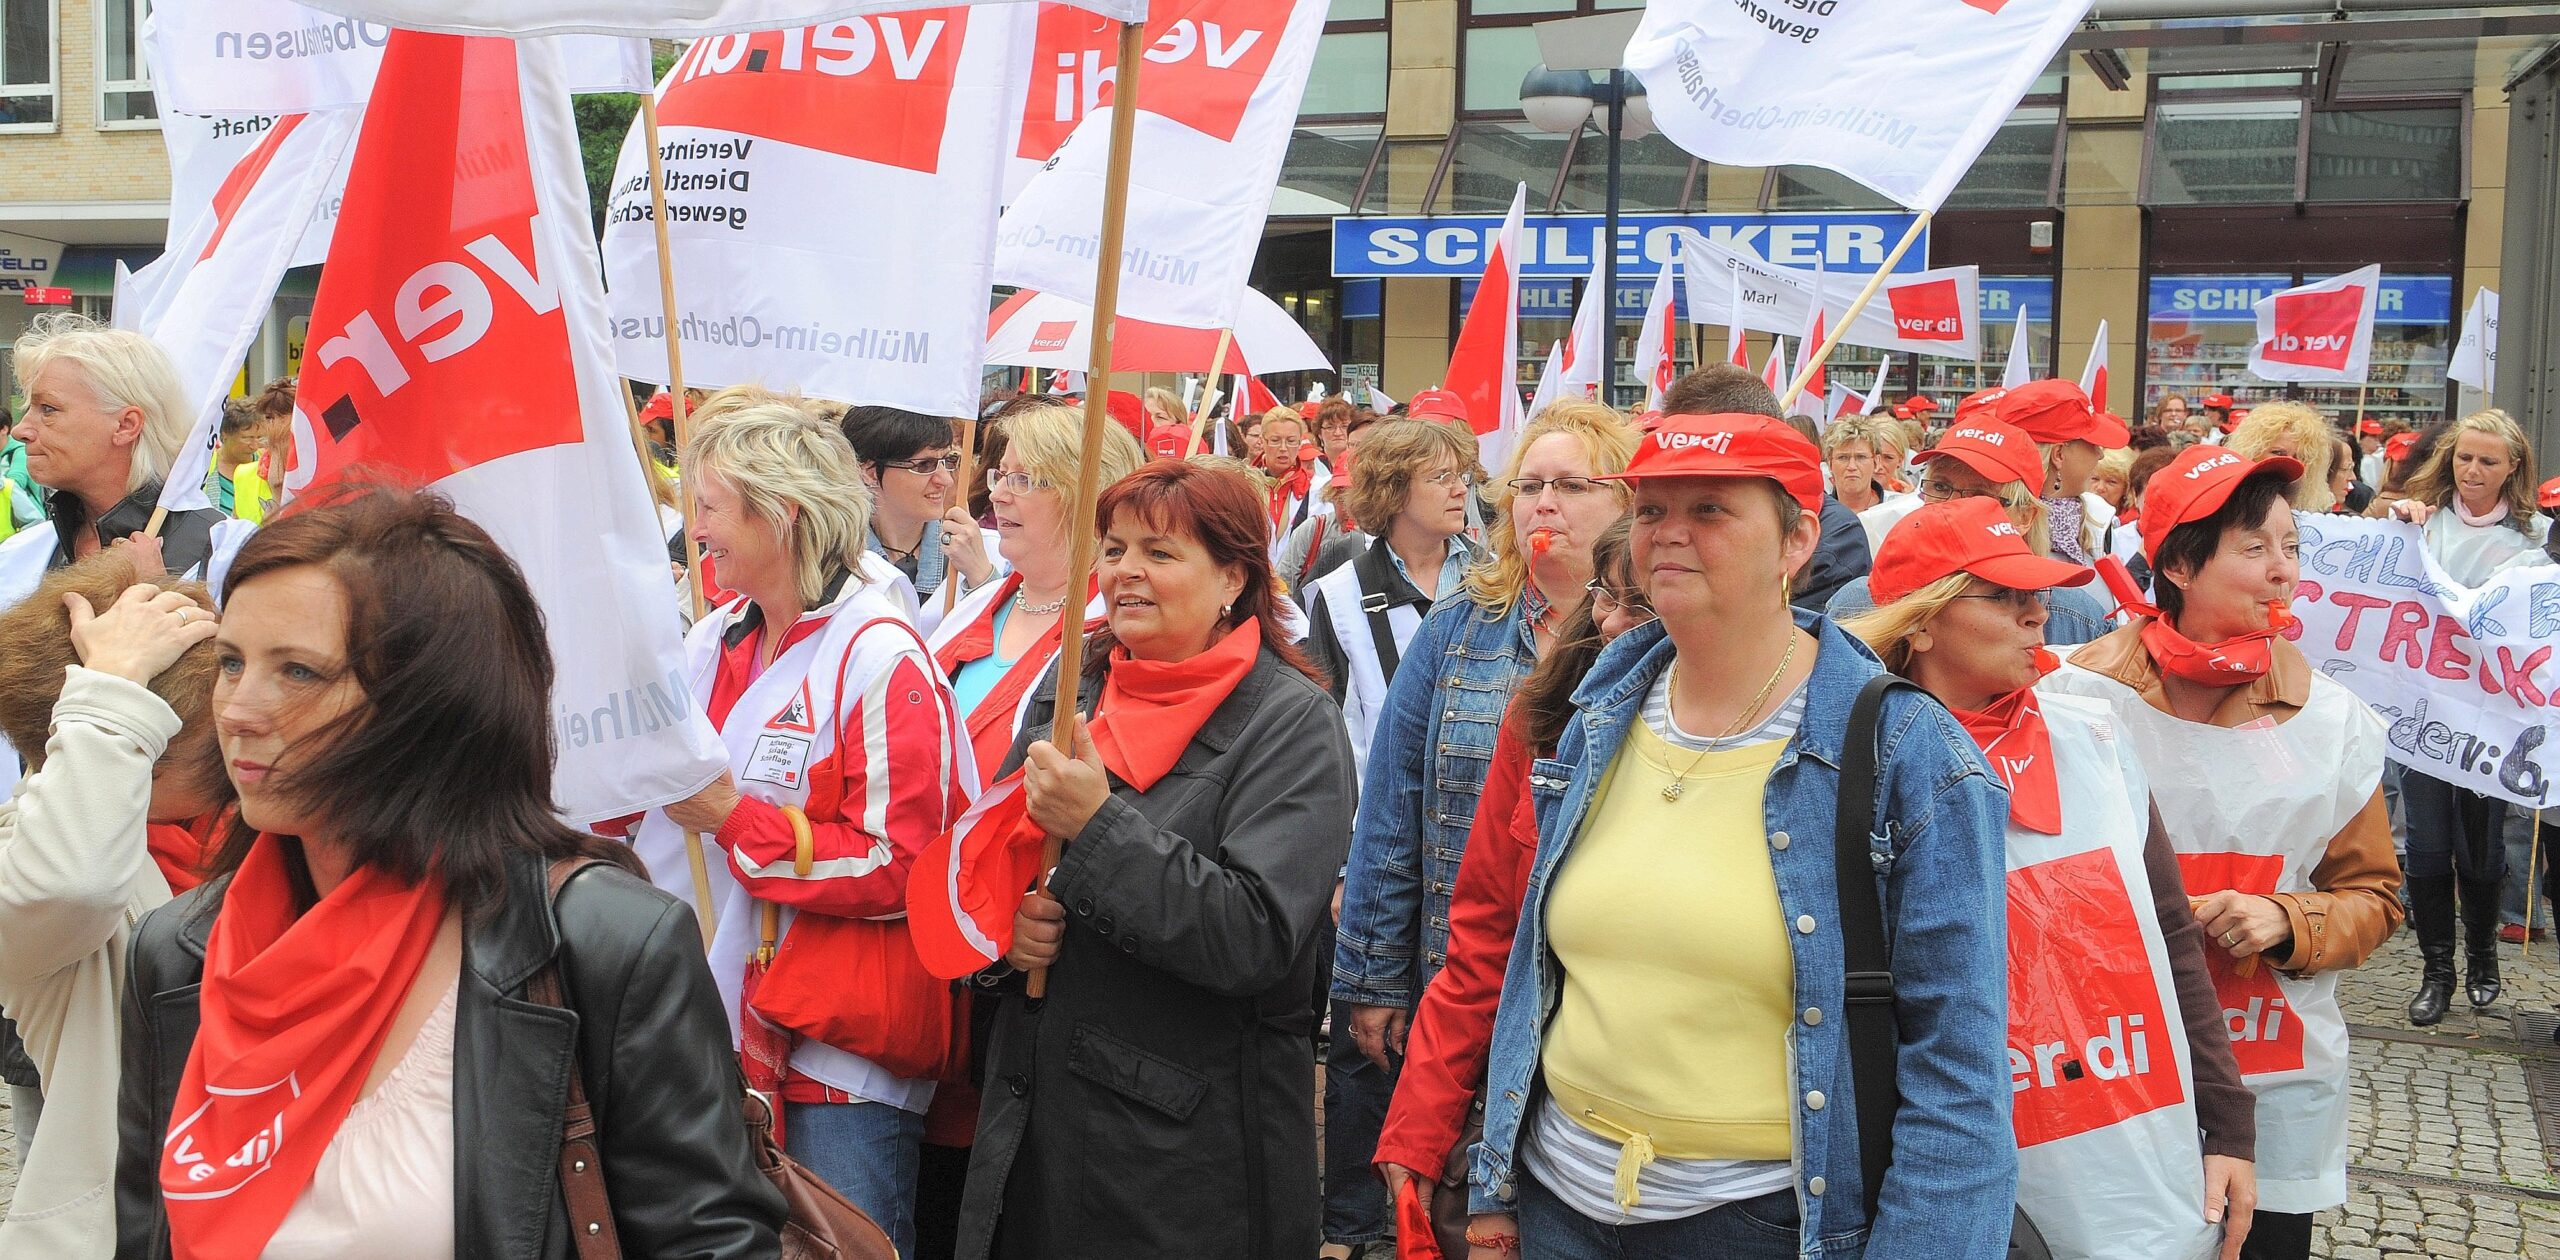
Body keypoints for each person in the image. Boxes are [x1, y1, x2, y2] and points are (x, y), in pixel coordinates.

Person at [116, 483, 783, 1259]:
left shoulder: (602, 944)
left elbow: (709, 1241)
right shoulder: (180, 951)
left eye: (297, 672)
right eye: (231, 663)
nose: (238, 708)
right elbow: (143, 1231)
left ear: (430, 703)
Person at [1467, 412, 2014, 1257]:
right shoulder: (1599, 710)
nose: (1669, 535)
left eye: (1712, 510)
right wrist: (1495, 1186)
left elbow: (1959, 1074)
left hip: (1758, 1225)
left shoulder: (1907, 754)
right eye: (1651, 510)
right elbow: (1536, 974)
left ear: (1798, 540)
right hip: (1559, 1203)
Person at [957, 460, 1357, 1259]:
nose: (1125, 572)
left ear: (1233, 579)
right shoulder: (1073, 684)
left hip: (1184, 1161)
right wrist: (1008, 940)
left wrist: (1098, 826)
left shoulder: (1293, 724)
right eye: (1113, 548)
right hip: (1033, 1132)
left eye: (1161, 553)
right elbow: (992, 856)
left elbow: (1253, 935)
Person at [1843, 499, 2260, 1260]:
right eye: (2005, 597)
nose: (2039, 615)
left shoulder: (2093, 740)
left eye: (2037, 593)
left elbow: (2168, 935)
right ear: (1923, 622)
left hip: (2128, 1155)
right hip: (1942, 1171)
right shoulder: (1849, 769)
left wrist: (2229, 1123)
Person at [620, 402, 968, 1256]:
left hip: (835, 1053)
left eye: (709, 507)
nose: (693, 529)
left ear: (781, 515)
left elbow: (905, 866)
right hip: (714, 1025)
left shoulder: (881, 655)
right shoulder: (716, 638)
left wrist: (734, 820)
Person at [2044, 446, 2401, 1260]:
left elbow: (2374, 897)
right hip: (2114, 1075)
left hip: (2274, 1076)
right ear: (2177, 562)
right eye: (2254, 548)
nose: (2283, 571)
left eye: (2291, 547)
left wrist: (2287, 919)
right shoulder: (2070, 697)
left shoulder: (2333, 721)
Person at [1331, 403, 1633, 1146]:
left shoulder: (1656, 631)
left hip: (1602, 982)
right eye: (1527, 486)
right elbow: (1395, 804)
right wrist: (1373, 978)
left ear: (1628, 502)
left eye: (1571, 484)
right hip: (1461, 973)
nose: (1544, 503)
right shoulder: (1460, 623)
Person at [1373, 516, 1643, 1258]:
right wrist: (1421, 1126)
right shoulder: (1543, 723)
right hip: (1546, 1147)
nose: (1617, 625)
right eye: (1607, 598)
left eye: (1642, 607)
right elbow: (1487, 940)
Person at [0, 556, 227, 1258]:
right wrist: (112, 684)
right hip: (132, 1234)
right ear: (138, 746)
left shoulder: (271, 831)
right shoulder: (32, 855)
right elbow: (70, 884)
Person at [2382, 409, 2547, 1026]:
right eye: (2463, 458)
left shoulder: (2535, 542)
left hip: (2493, 723)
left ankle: (2482, 957)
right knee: (2425, 841)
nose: (2473, 471)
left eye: (2487, 461)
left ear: (2513, 469)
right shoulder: (2420, 526)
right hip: (2425, 717)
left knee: (2480, 847)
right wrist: (2390, 518)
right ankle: (2437, 972)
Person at [930, 403, 1147, 775]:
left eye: (1024, 480)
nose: (997, 494)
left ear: (1085, 499)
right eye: (1002, 475)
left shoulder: (1118, 632)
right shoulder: (975, 603)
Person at [1824, 419, 2114, 645]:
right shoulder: (1861, 603)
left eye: (1979, 495)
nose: (1952, 508)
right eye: (1940, 487)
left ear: (2025, 516)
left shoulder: (2077, 620)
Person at [12, 314, 217, 576]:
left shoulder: (224, 553)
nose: (21, 430)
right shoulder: (21, 555)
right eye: (29, 409)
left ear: (126, 425)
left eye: (48, 409)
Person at [841, 405, 999, 615]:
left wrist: (980, 576)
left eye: (948, 460)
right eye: (924, 465)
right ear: (870, 473)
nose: (946, 480)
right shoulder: (832, 557)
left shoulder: (988, 550)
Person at [2224, 402, 2338, 513]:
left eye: (2301, 457)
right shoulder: (2227, 507)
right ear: (2252, 453)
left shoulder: (2317, 513)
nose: (2290, 463)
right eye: (2278, 453)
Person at [1823, 414, 1893, 516]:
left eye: (1861, 457)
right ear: (1830, 463)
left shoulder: (1896, 509)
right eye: (1843, 457)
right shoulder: (1820, 514)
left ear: (1876, 462)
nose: (1852, 466)